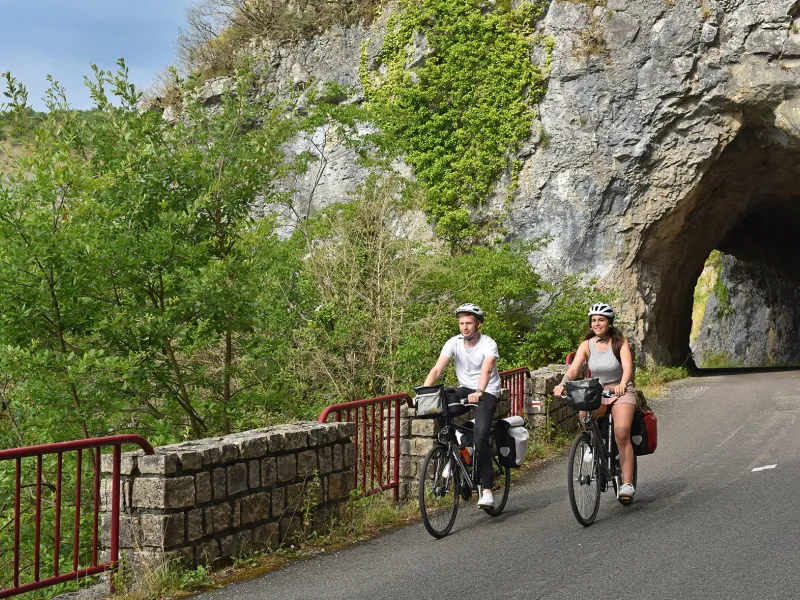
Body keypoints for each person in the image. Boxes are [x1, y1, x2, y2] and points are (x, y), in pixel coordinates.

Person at [553, 303, 638, 503]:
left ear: (609, 322)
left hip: (621, 389)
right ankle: (592, 446)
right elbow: (573, 370)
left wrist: (623, 384)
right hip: (598, 390)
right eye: (593, 320)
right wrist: (563, 384)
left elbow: (627, 367)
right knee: (584, 417)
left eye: (601, 320)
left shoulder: (620, 342)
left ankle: (627, 484)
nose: (596, 324)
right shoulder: (587, 345)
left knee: (622, 432)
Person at [423, 303, 502, 508]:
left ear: (478, 324)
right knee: (439, 407)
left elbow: (486, 370)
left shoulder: (488, 344)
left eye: (469, 323)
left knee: (481, 435)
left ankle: (487, 490)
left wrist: (480, 391)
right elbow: (437, 368)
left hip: (487, 392)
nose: (464, 327)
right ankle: (455, 449)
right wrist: (424, 391)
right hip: (465, 389)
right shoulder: (454, 343)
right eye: (461, 323)